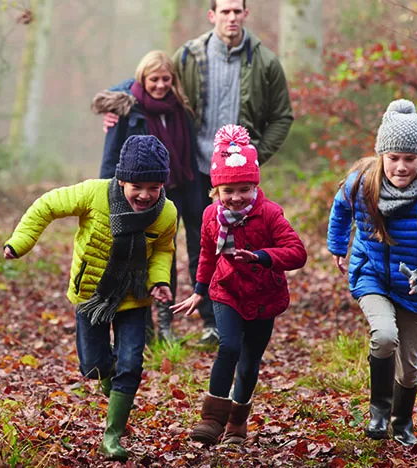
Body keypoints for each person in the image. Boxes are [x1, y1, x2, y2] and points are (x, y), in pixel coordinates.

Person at [104, 0, 295, 345]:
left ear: (245, 15)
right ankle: (162, 321)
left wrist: (254, 157)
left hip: (235, 178)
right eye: (225, 11)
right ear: (213, 15)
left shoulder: (265, 61)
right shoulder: (190, 55)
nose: (232, 17)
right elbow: (149, 79)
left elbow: (283, 116)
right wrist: (115, 103)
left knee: (216, 246)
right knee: (167, 241)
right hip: (190, 169)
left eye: (238, 11)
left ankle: (217, 322)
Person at [3, 135, 178, 461]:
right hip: (91, 295)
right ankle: (115, 390)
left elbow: (163, 251)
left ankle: (111, 437)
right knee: (94, 366)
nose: (145, 195)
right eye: (137, 185)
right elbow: (47, 206)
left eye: (154, 186)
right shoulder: (93, 193)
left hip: (135, 299)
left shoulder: (166, 213)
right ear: (122, 179)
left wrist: (159, 281)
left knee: (131, 363)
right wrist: (21, 241)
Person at [326, 99, 417, 446]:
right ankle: (379, 414)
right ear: (381, 154)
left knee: (411, 367)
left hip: (414, 285)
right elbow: (340, 209)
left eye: (410, 159)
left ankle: (402, 422)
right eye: (394, 158)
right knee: (384, 336)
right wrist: (338, 246)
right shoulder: (361, 184)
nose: (401, 167)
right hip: (370, 275)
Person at [171, 124, 307, 445]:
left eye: (244, 189)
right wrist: (199, 291)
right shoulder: (210, 217)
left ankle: (236, 423)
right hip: (226, 291)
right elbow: (206, 254)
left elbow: (297, 253)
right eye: (227, 191)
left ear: (255, 186)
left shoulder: (270, 214)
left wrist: (261, 256)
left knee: (248, 364)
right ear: (216, 191)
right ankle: (212, 419)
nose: (235, 198)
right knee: (228, 346)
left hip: (264, 297)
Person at [92, 50, 203, 344]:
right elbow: (110, 157)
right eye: (154, 79)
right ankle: (143, 328)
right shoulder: (127, 109)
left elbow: (188, 155)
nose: (160, 85)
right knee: (139, 257)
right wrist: (108, 197)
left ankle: (166, 324)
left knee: (166, 255)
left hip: (174, 193)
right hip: (136, 196)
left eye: (166, 79)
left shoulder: (180, 108)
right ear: (143, 78)